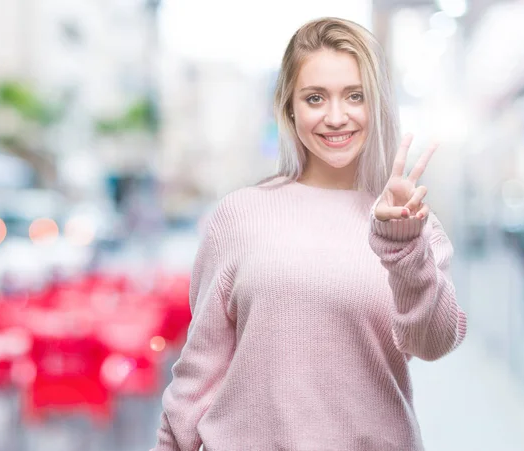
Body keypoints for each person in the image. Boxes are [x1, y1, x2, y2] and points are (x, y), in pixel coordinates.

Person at [152, 17, 467, 451]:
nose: (336, 117)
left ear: (376, 104)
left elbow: (433, 343)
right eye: (315, 98)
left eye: (354, 96)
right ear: (289, 108)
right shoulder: (240, 215)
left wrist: (403, 246)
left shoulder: (412, 223)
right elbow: (199, 370)